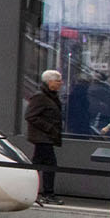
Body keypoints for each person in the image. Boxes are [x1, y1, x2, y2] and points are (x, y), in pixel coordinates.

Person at [25, 69, 64, 204]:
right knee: (49, 164)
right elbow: (30, 115)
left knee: (37, 164)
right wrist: (49, 127)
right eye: (58, 81)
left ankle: (31, 191)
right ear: (49, 82)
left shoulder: (51, 96)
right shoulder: (40, 97)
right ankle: (48, 193)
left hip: (47, 137)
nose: (60, 83)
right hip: (42, 137)